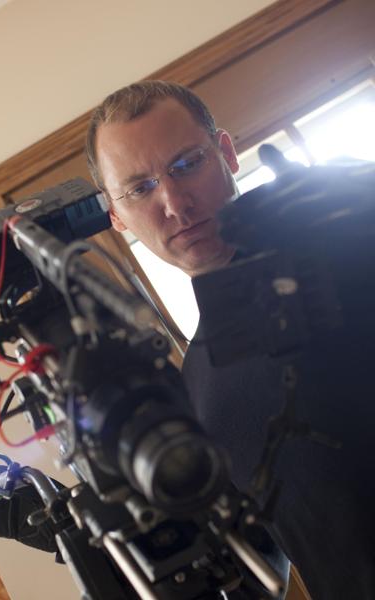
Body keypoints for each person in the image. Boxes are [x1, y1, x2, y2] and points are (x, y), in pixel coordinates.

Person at [85, 80, 375, 600]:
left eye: (186, 165)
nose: (174, 202)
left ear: (226, 153)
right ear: (115, 216)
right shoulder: (199, 379)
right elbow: (267, 562)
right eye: (140, 188)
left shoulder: (344, 249)